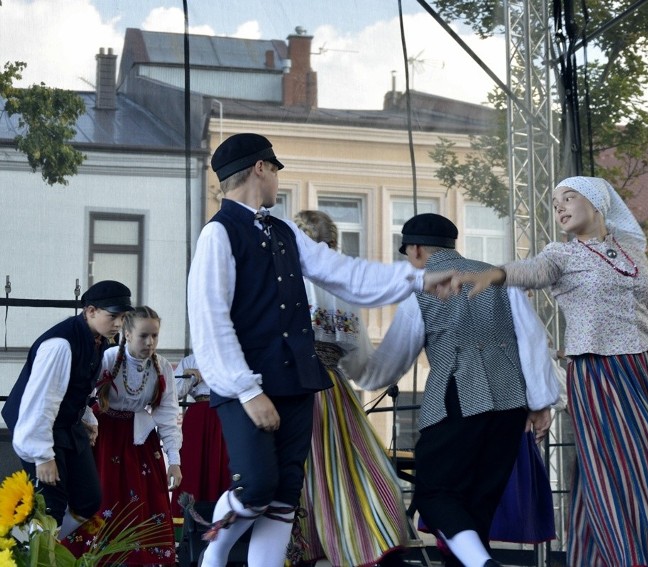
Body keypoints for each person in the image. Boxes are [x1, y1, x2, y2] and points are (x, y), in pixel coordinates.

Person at [187, 133, 453, 567]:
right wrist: (247, 391)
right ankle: (213, 550)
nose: (276, 180)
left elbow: (345, 275)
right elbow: (209, 319)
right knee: (255, 486)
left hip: (296, 380)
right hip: (248, 385)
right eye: (275, 170)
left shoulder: (284, 230)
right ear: (261, 168)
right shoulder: (218, 235)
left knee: (285, 495)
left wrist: (419, 279)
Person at [449, 177, 648, 567]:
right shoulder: (562, 254)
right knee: (634, 464)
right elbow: (533, 270)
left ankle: (601, 557)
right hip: (599, 374)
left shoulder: (634, 254)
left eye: (568, 198)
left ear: (597, 203)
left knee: (631, 467)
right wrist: (495, 274)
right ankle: (646, 557)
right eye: (555, 202)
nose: (559, 207)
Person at [359, 212, 560, 567]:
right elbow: (532, 338)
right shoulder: (498, 277)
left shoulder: (422, 287)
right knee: (478, 504)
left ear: (417, 250)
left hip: (458, 397)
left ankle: (483, 564)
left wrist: (354, 369)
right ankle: (477, 561)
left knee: (435, 494)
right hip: (511, 403)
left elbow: (391, 362)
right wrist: (541, 402)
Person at [288, 209, 409, 566]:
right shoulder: (339, 288)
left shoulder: (285, 280)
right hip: (331, 388)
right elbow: (359, 365)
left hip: (293, 388)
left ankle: (300, 545)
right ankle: (361, 537)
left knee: (305, 470)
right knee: (348, 467)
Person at [1, 280, 132, 538]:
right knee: (50, 508)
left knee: (88, 500)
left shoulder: (98, 338)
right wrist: (43, 456)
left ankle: (41, 549)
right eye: (113, 316)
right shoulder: (61, 344)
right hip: (38, 429)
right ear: (90, 311)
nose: (118, 323)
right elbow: (41, 401)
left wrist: (87, 417)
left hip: (66, 426)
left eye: (123, 317)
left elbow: (78, 387)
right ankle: (25, 552)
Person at [67, 305, 183, 564]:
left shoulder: (162, 366)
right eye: (144, 335)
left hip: (140, 441)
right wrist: (89, 421)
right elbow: (81, 395)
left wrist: (174, 461)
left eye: (155, 336)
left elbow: (167, 414)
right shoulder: (107, 358)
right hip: (104, 438)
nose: (150, 342)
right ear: (127, 334)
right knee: (102, 497)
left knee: (144, 502)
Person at [170, 353, 231, 520]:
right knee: (192, 465)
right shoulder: (191, 360)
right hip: (199, 414)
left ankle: (223, 522)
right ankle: (187, 523)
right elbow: (174, 393)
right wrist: (190, 378)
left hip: (227, 413)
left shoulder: (235, 354)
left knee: (225, 465)